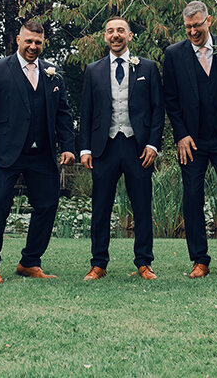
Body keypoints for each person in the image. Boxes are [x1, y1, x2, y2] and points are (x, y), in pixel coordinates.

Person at [0, 21, 75, 283]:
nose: (33, 46)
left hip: (42, 154)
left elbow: (63, 113)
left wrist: (68, 146)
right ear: (18, 40)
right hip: (5, 153)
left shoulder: (53, 73)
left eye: (38, 42)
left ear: (43, 43)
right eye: (28, 41)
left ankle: (30, 261)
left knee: (48, 204)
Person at [162, 1, 217, 278]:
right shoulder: (173, 54)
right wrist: (181, 135)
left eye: (197, 25)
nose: (192, 32)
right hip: (192, 141)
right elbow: (171, 101)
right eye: (187, 27)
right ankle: (200, 259)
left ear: (208, 21)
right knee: (192, 196)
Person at [78, 17, 164, 280]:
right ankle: (98, 263)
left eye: (120, 31)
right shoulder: (93, 70)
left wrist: (152, 144)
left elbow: (157, 110)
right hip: (104, 147)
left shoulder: (147, 68)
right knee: (101, 207)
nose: (115, 36)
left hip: (137, 147)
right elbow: (87, 111)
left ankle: (144, 262)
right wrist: (84, 149)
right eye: (110, 32)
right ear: (105, 37)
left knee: (141, 206)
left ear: (129, 35)